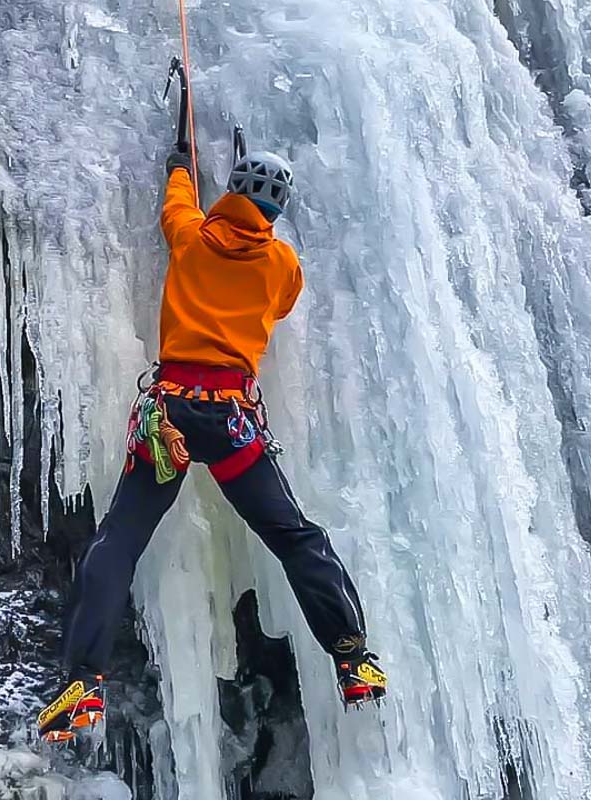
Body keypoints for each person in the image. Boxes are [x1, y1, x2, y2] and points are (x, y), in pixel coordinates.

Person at [36, 143, 386, 744]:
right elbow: (281, 302)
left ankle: (83, 682)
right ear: (278, 208)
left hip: (169, 416)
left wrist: (180, 164)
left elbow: (176, 204)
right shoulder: (282, 263)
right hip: (232, 423)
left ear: (233, 188)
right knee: (296, 538)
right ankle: (352, 659)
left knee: (118, 541)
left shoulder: (192, 235)